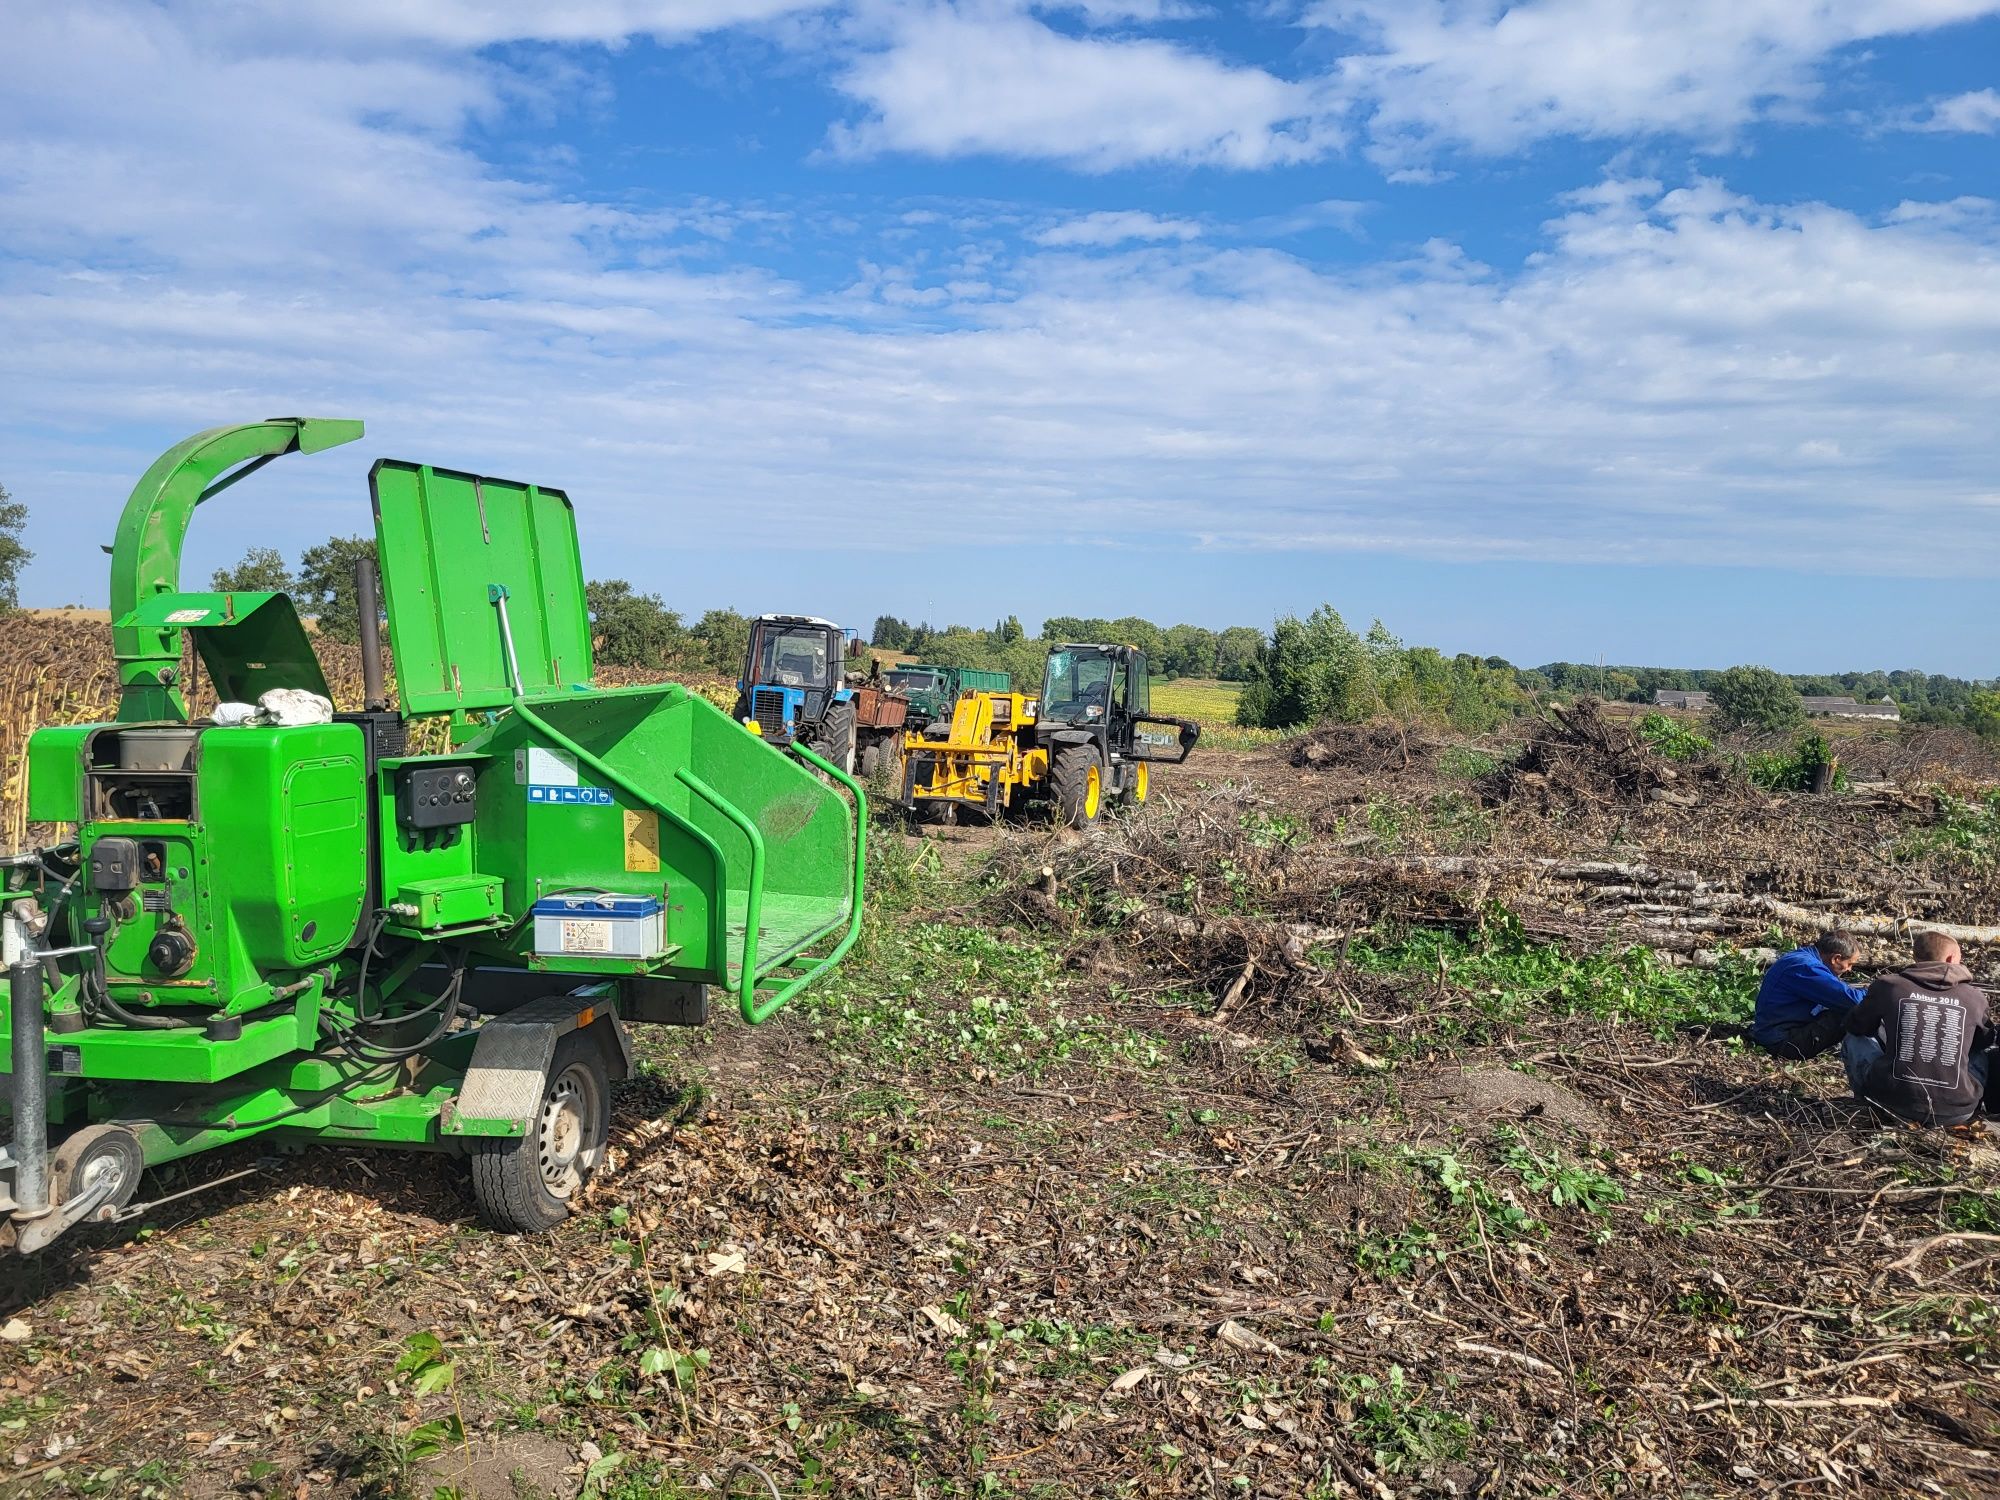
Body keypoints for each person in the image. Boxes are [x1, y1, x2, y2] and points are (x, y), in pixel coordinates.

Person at [1843, 932, 1994, 1128]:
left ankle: (1864, 1101)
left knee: (1855, 1038)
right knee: (1980, 1051)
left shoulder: (1888, 986)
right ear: (1950, 959)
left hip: (1891, 1103)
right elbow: (1984, 1041)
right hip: (1957, 1112)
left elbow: (1856, 1025)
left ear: (1916, 957)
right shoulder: (1974, 997)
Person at [1751, 932, 1865, 1060]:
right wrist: (1882, 991)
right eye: (1849, 964)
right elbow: (1853, 1000)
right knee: (1852, 1011)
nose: (1849, 969)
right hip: (1780, 1043)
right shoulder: (1806, 968)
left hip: (1770, 1034)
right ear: (1835, 959)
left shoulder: (1801, 957)